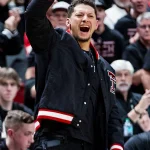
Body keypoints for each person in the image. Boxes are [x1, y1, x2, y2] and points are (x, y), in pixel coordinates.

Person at [25, 0, 124, 149]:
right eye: (79, 15)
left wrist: (116, 145)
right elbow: (33, 15)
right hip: (55, 139)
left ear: (96, 24)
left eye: (90, 16)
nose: (85, 19)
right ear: (68, 22)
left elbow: (112, 112)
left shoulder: (106, 68)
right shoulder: (54, 42)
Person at [111, 60, 150, 141]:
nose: (123, 78)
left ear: (132, 78)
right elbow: (115, 131)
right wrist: (138, 109)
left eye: (126, 74)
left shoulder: (140, 98)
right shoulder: (108, 100)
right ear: (111, 78)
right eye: (118, 75)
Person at [123, 12, 150, 94]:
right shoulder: (131, 50)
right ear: (137, 30)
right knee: (143, 73)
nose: (147, 30)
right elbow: (132, 79)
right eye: (143, 27)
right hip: (138, 92)